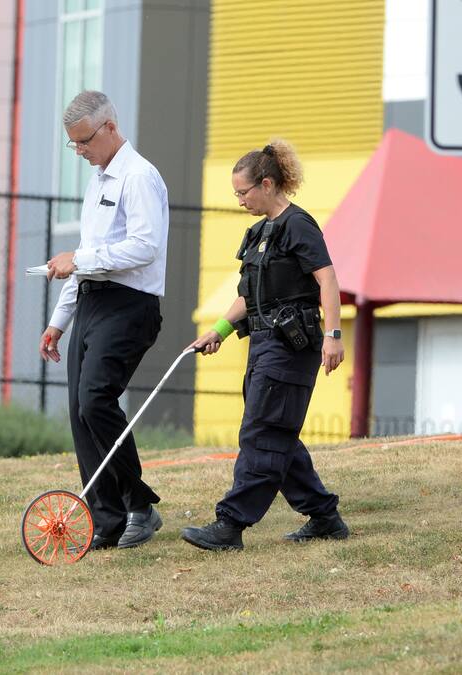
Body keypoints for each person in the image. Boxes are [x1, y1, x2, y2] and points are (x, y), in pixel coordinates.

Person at [181, 139, 349, 551]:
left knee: (262, 432)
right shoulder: (259, 233)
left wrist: (333, 335)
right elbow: (248, 294)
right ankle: (324, 517)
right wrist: (218, 331)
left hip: (291, 347)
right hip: (262, 343)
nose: (239, 200)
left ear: (268, 184)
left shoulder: (298, 225)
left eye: (244, 192)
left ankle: (231, 525)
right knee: (278, 433)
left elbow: (327, 279)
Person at [40, 91, 169, 550]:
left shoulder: (139, 177)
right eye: (73, 145)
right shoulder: (97, 181)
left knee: (96, 398)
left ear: (110, 128)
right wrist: (59, 321)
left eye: (84, 142)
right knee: (80, 411)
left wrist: (80, 257)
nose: (80, 152)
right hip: (93, 303)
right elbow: (86, 262)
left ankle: (140, 506)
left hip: (131, 304)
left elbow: (144, 246)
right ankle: (107, 519)